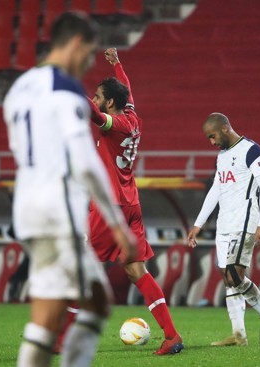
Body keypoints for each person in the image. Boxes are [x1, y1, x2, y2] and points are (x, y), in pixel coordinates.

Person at [3, 12, 135, 367]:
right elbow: (84, 161)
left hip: (28, 208)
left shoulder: (20, 87)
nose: (88, 62)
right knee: (88, 304)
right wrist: (117, 224)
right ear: (76, 43)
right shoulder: (66, 90)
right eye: (89, 54)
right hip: (57, 211)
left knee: (64, 307)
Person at [56, 48, 183, 356]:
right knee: (135, 270)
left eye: (100, 96)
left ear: (109, 102)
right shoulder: (132, 116)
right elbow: (126, 91)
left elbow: (96, 116)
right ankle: (171, 335)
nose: (96, 100)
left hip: (108, 206)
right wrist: (117, 65)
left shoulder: (117, 124)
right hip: (131, 206)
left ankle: (60, 341)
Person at [187, 113, 260, 347]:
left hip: (245, 222)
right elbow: (216, 190)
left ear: (225, 128)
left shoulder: (251, 150)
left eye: (213, 136)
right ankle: (239, 334)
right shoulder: (222, 156)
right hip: (224, 224)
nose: (212, 142)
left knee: (234, 275)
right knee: (229, 279)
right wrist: (198, 223)